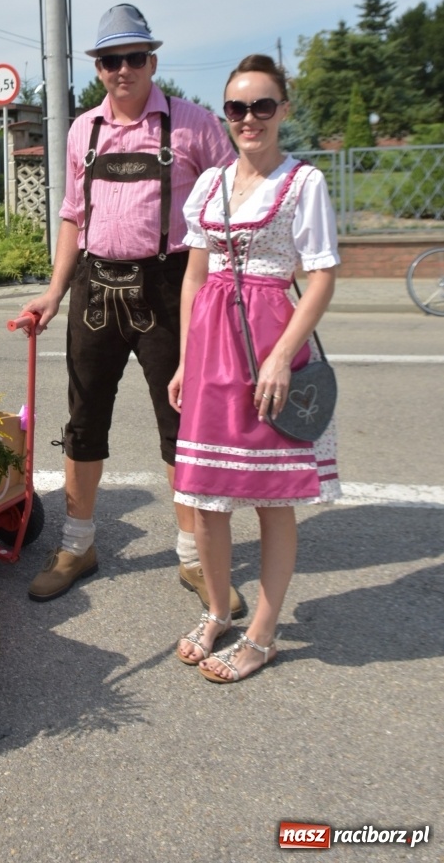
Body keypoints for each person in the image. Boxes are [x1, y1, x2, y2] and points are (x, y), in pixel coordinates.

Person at [21, 3, 239, 604]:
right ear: (98, 68)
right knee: (83, 419)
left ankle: (195, 556)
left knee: (180, 425)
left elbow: (227, 210)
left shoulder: (194, 125)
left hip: (169, 289)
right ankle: (78, 543)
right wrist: (54, 291)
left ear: (152, 61)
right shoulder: (82, 130)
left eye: (134, 58)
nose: (123, 70)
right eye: (111, 60)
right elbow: (71, 217)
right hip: (95, 286)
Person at [168, 53, 341, 683]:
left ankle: (262, 634)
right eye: (237, 107)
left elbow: (320, 278)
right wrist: (186, 359)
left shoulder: (304, 182)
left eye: (262, 106)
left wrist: (279, 357)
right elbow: (193, 277)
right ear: (226, 114)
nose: (249, 118)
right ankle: (218, 610)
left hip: (273, 341)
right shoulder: (210, 184)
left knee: (271, 496)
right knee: (205, 494)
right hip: (211, 345)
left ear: (282, 112)